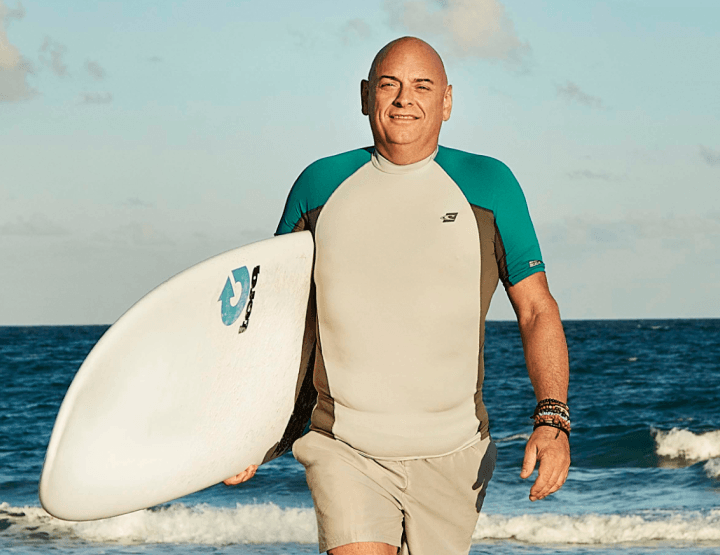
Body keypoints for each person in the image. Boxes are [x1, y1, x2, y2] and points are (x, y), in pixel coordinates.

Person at [225, 37, 571, 555]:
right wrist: (253, 427)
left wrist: (552, 418)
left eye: (422, 86)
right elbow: (277, 316)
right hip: (346, 447)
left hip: (454, 452)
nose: (404, 99)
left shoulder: (490, 185)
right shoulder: (320, 185)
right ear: (365, 96)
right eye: (389, 85)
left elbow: (536, 309)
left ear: (447, 101)